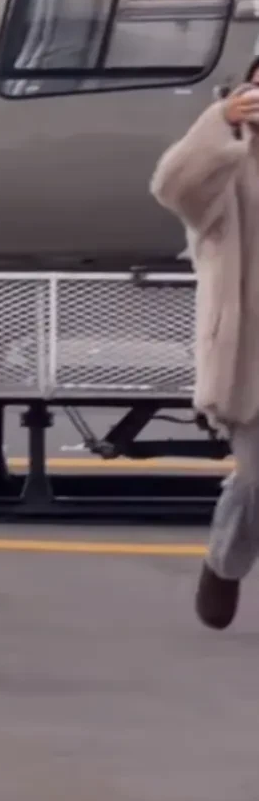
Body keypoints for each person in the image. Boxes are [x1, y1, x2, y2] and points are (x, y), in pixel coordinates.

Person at [150, 59, 259, 629]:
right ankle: (225, 562)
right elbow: (173, 187)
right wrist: (220, 121)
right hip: (251, 353)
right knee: (257, 478)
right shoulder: (230, 161)